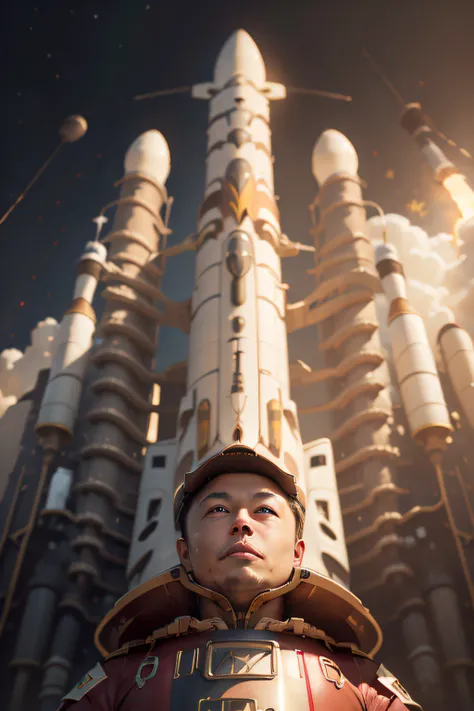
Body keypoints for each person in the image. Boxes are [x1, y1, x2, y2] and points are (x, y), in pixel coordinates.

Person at [58, 444, 422, 710]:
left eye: (264, 509)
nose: (242, 522)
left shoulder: (360, 681)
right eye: (218, 509)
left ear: (298, 552)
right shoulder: (122, 676)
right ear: (184, 551)